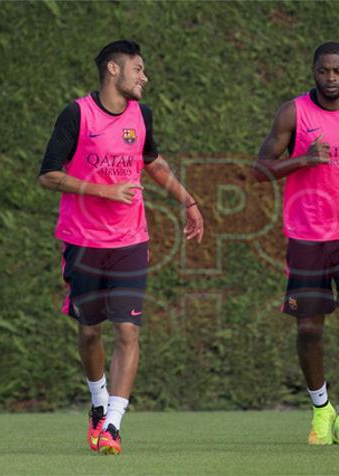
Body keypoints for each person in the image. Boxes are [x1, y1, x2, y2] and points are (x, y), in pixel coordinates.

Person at [38, 40, 204, 455]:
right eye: (138, 68)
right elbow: (48, 175)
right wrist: (104, 190)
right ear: (113, 69)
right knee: (90, 331)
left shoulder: (142, 116)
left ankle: (113, 423)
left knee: (128, 329)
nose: (144, 76)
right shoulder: (77, 114)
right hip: (82, 242)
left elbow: (155, 162)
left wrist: (189, 201)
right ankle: (97, 402)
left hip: (131, 240)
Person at [252, 41, 339, 446]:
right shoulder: (293, 113)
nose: (330, 79)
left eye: (338, 72)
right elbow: (259, 169)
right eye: (323, 71)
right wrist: (304, 160)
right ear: (313, 71)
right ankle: (320, 408)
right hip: (307, 235)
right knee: (309, 328)